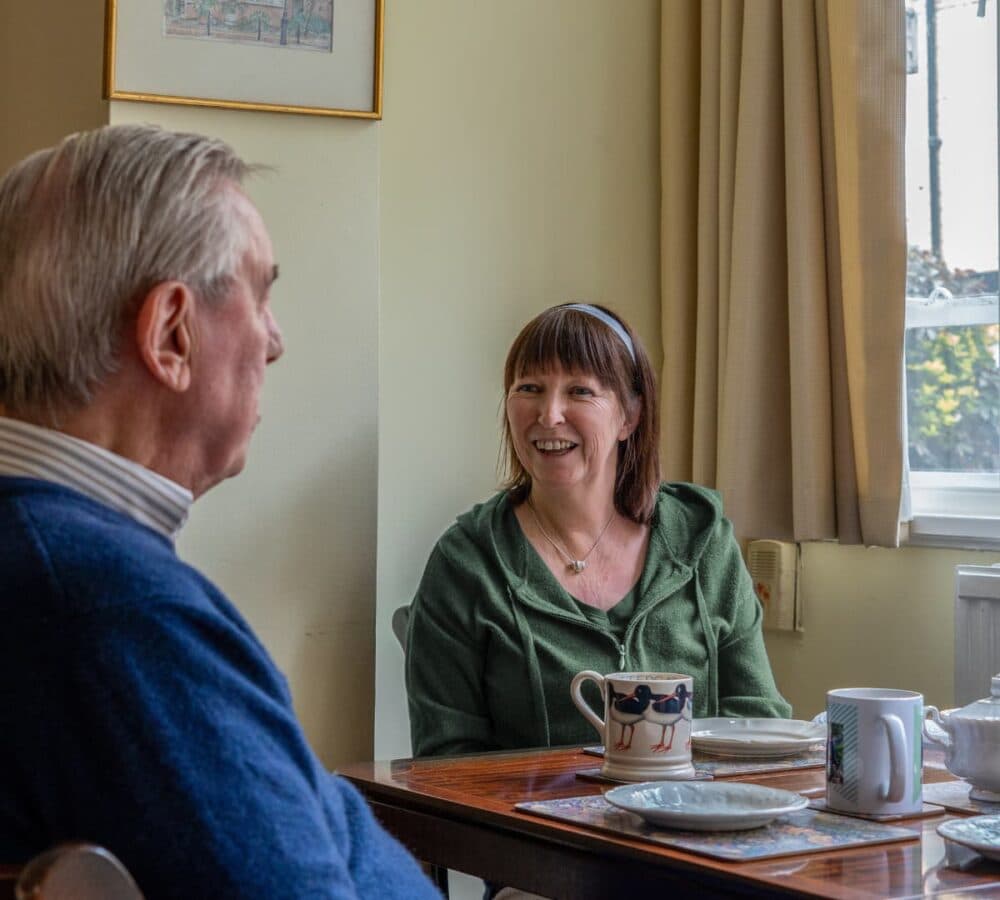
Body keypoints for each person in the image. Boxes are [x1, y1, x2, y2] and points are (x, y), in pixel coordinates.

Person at [0, 125, 438, 899]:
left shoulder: (60, 564)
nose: (275, 340)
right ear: (171, 332)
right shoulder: (113, 609)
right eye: (260, 292)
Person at [407, 302, 790, 758]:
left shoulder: (701, 540)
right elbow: (445, 764)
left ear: (629, 416)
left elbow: (758, 718)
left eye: (580, 391)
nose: (549, 414)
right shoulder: (467, 562)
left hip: (694, 821)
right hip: (533, 827)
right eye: (529, 387)